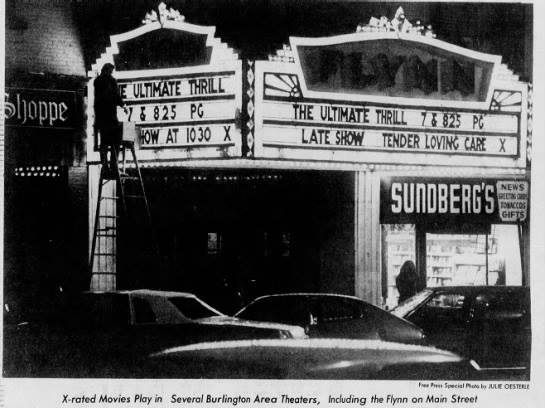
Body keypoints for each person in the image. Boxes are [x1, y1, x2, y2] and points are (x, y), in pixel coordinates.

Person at [94, 63, 126, 173]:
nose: (111, 73)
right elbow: (116, 96)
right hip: (111, 118)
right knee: (116, 142)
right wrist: (123, 105)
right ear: (109, 70)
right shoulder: (111, 81)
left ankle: (105, 166)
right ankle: (114, 165)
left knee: (104, 143)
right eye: (111, 71)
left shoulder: (97, 81)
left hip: (100, 120)